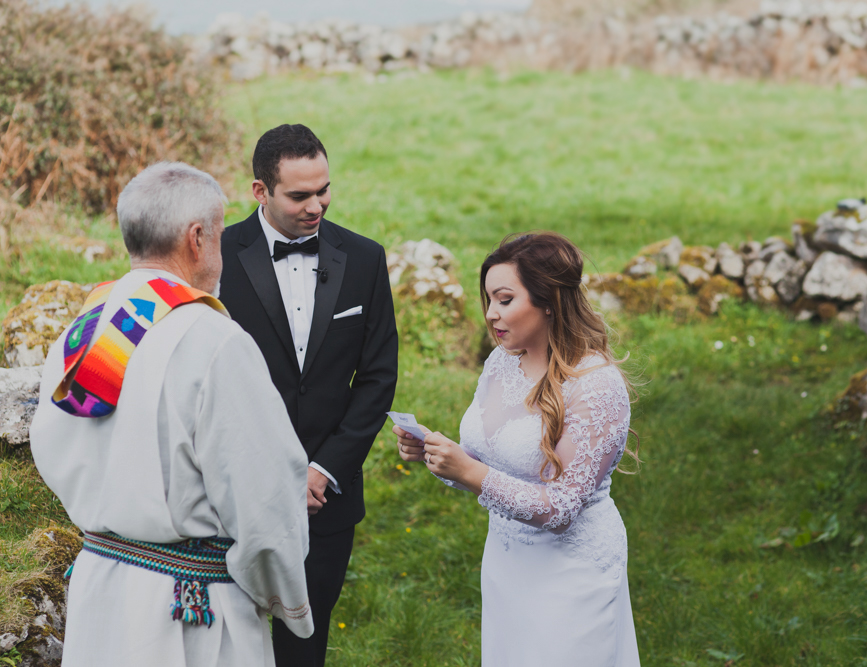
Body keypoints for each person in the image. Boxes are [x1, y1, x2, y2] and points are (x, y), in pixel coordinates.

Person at [29, 162, 314, 667]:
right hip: (191, 610)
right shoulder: (214, 340)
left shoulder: (86, 326)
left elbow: (49, 446)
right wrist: (283, 595)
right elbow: (266, 497)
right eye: (220, 236)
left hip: (100, 587)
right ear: (197, 239)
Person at [395, 232, 641, 666]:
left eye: (505, 299)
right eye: (489, 299)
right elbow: (487, 463)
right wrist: (440, 454)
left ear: (548, 301)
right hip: (506, 564)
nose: (491, 313)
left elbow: (561, 508)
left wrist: (467, 472)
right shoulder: (501, 362)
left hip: (571, 575)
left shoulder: (596, 385)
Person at [219, 124, 398, 666]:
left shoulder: (364, 258)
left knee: (305, 647)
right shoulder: (217, 257)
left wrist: (323, 470)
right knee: (230, 640)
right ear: (260, 191)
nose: (316, 206)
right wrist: (266, 475)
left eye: (324, 190)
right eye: (299, 195)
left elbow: (378, 377)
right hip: (237, 493)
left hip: (328, 499)